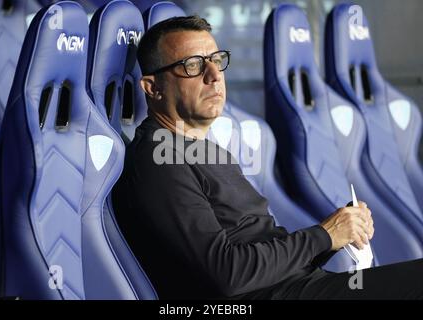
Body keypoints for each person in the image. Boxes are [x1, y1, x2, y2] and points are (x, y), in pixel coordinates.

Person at [112, 15, 423, 300]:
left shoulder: (201, 148)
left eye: (217, 61)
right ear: (152, 88)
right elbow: (227, 275)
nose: (213, 76)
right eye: (193, 65)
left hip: (305, 286)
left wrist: (339, 233)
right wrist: (325, 235)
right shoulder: (158, 161)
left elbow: (263, 250)